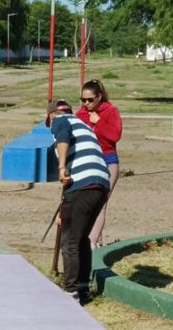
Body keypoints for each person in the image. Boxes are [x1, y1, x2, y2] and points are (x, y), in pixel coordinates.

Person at [47, 99, 110, 304]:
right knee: (81, 237)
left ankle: (71, 292)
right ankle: (82, 288)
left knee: (70, 240)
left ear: (50, 116)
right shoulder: (83, 125)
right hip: (100, 183)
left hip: (82, 183)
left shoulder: (60, 119)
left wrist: (62, 167)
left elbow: (63, 136)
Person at [75, 79, 122, 249]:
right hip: (88, 163)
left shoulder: (111, 111)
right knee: (87, 203)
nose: (86, 104)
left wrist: (99, 121)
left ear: (99, 97)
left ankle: (92, 242)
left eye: (90, 100)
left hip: (108, 162)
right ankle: (96, 241)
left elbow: (115, 136)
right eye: (83, 100)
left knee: (101, 203)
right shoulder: (80, 114)